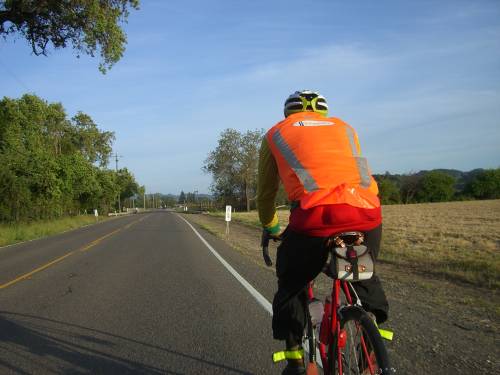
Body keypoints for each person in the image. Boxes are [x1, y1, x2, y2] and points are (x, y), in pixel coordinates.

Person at [256, 90, 389, 375]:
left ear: (288, 113)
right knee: (364, 276)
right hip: (367, 214)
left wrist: (271, 226)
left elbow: (265, 193)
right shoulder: (346, 128)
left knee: (292, 284)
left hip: (316, 218)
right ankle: (371, 349)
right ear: (324, 113)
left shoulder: (276, 134)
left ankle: (295, 362)